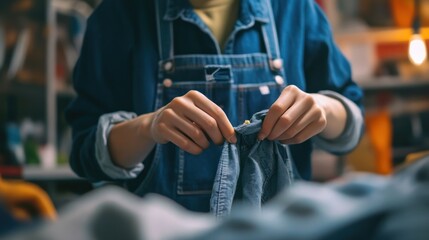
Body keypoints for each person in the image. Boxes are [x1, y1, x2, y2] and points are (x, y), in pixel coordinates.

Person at [65, 0, 364, 212]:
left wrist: (323, 108)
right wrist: (148, 127)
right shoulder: (118, 16)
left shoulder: (294, 9)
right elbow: (85, 154)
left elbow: (352, 121)